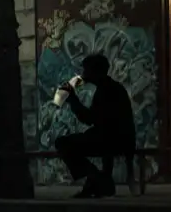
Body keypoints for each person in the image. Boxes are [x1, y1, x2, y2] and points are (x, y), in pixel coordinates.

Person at [55, 54, 136, 198]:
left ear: (95, 72)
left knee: (62, 143)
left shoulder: (106, 91)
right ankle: (97, 181)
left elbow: (90, 119)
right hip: (118, 138)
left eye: (86, 70)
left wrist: (73, 100)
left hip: (111, 140)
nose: (83, 74)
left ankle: (96, 177)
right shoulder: (111, 88)